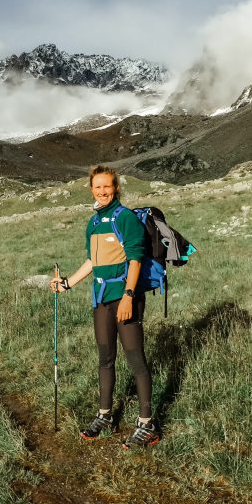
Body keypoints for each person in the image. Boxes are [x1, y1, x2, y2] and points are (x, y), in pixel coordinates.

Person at [50, 165, 159, 449]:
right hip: (100, 299)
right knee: (105, 358)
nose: (102, 191)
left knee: (135, 359)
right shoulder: (93, 222)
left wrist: (128, 296)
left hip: (124, 297)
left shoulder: (125, 219)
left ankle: (147, 425)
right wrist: (67, 284)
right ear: (91, 189)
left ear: (116, 188)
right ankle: (105, 415)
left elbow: (135, 260)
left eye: (107, 187)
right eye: (97, 187)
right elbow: (92, 261)